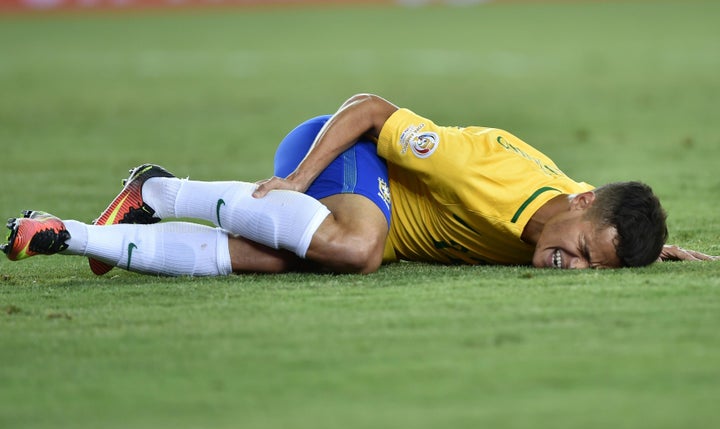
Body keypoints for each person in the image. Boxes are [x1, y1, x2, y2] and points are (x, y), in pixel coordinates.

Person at [2, 94, 716, 276]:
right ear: (580, 206)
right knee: (356, 249)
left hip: (352, 213)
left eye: (594, 268)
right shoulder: (477, 168)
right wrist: (297, 180)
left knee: (282, 264)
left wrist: (655, 248)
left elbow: (608, 215)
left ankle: (75, 235)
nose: (573, 266)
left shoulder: (578, 212)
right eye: (586, 251)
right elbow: (370, 109)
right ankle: (159, 191)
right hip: (338, 153)